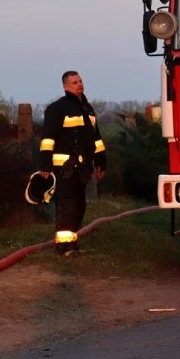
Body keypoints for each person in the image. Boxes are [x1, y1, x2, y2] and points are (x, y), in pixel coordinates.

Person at [39, 71, 107, 257]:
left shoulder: (87, 109)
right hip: (64, 168)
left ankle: (72, 243)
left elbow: (97, 140)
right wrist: (45, 166)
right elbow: (47, 140)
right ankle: (63, 247)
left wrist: (101, 163)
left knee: (79, 206)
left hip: (83, 168)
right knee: (67, 205)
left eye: (81, 81)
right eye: (75, 82)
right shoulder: (57, 109)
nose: (79, 85)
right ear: (65, 86)